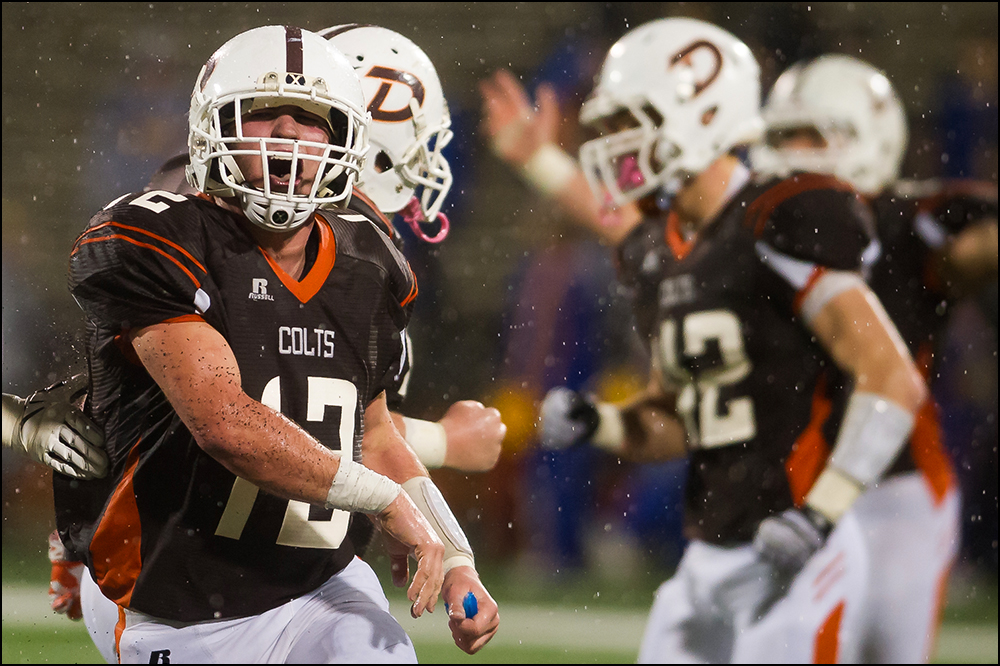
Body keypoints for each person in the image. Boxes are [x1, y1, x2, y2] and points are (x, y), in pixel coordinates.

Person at [481, 16, 928, 663]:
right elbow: (678, 423)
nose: (614, 143)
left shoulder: (782, 216)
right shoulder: (666, 249)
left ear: (701, 114)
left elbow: (892, 379)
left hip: (804, 544)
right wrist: (598, 423)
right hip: (712, 550)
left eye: (632, 122)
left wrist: (821, 514)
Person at [55, 25, 496, 663]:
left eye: (312, 118)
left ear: (347, 138)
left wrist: (454, 554)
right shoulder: (160, 237)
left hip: (318, 582)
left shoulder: (369, 260)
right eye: (265, 113)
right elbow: (225, 424)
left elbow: (374, 437)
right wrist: (389, 503)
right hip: (176, 602)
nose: (289, 134)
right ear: (214, 127)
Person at [749, 53, 999, 664]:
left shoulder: (906, 222)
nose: (793, 152)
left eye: (812, 135)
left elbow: (977, 244)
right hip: (791, 484)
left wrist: (970, 255)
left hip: (895, 490)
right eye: (784, 135)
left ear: (870, 140)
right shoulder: (755, 226)